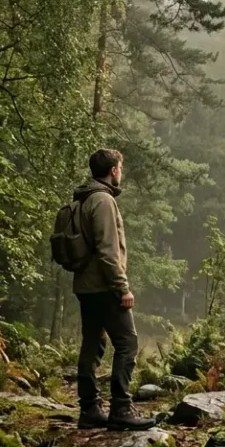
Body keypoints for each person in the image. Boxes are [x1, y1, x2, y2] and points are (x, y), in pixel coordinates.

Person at [72, 149, 155, 431]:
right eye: (121, 166)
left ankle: (90, 410)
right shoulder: (103, 200)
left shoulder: (84, 198)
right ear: (113, 171)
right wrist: (122, 288)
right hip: (104, 286)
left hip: (86, 286)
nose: (122, 171)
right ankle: (121, 408)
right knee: (127, 342)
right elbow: (108, 252)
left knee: (92, 344)